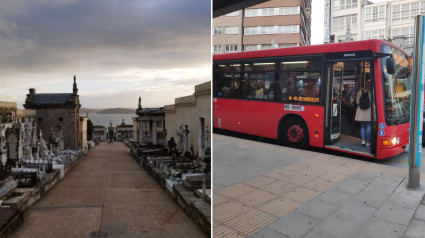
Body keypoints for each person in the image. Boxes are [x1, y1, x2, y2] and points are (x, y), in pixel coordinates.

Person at [355, 80, 371, 146]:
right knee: (368, 126)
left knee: (362, 126)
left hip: (361, 111)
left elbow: (357, 102)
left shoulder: (360, 91)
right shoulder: (372, 92)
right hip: (369, 110)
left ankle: (363, 141)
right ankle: (368, 142)